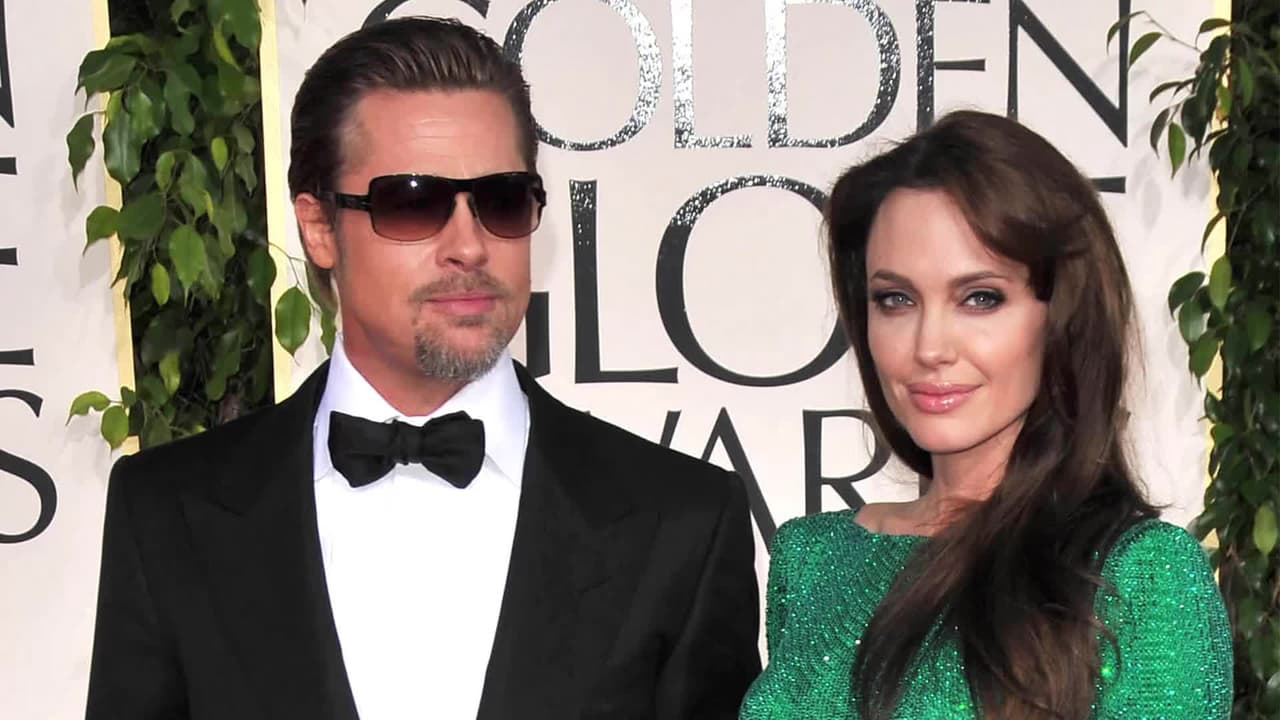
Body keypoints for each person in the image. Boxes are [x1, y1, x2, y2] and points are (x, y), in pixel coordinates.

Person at [85, 16, 760, 720]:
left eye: (501, 200)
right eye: (413, 202)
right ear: (318, 228)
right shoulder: (167, 514)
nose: (469, 245)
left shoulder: (682, 523)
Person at [740, 110, 1232, 719]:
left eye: (980, 298)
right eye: (895, 299)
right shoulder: (811, 559)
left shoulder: (1142, 577)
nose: (929, 347)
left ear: (1061, 318)